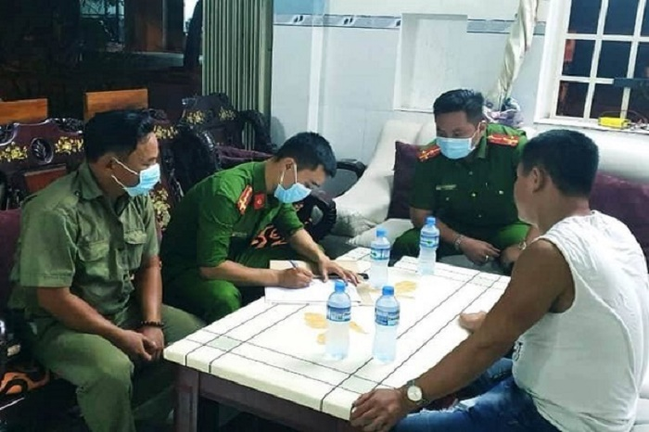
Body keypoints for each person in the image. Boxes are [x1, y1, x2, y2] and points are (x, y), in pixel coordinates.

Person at [350, 129, 649, 432]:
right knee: (434, 361)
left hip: (557, 420)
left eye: (517, 178)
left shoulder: (549, 252)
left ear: (536, 179)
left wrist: (405, 398)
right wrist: (492, 322)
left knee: (379, 424)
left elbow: (487, 344)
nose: (514, 185)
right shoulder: (614, 230)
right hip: (587, 400)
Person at [9, 110, 204, 432]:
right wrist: (118, 336)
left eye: (156, 160)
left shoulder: (135, 195)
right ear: (111, 165)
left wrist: (152, 323)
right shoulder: (54, 211)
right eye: (147, 163)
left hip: (119, 305)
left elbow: (150, 265)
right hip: (55, 324)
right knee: (111, 369)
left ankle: (135, 417)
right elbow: (54, 298)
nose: (154, 171)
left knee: (194, 338)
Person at [161, 132, 358, 324]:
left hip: (233, 255)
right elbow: (211, 267)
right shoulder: (227, 192)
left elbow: (293, 230)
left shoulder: (277, 188)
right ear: (289, 165)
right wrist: (278, 277)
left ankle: (287, 320)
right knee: (225, 297)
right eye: (307, 184)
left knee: (311, 257)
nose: (306, 192)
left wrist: (322, 259)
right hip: (190, 267)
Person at [393, 89, 538, 272]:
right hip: (454, 226)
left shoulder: (513, 148)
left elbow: (545, 202)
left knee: (527, 259)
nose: (448, 140)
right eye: (441, 132)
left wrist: (523, 247)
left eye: (457, 134)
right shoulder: (430, 158)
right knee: (406, 244)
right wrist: (461, 241)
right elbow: (420, 216)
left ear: (481, 128)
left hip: (506, 225)